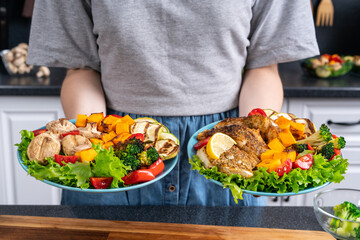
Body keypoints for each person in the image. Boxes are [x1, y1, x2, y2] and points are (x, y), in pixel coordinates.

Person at [27, 1, 319, 206]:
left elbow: (264, 67)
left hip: (222, 140)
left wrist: (254, 150)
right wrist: (93, 150)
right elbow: (80, 68)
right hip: (115, 135)